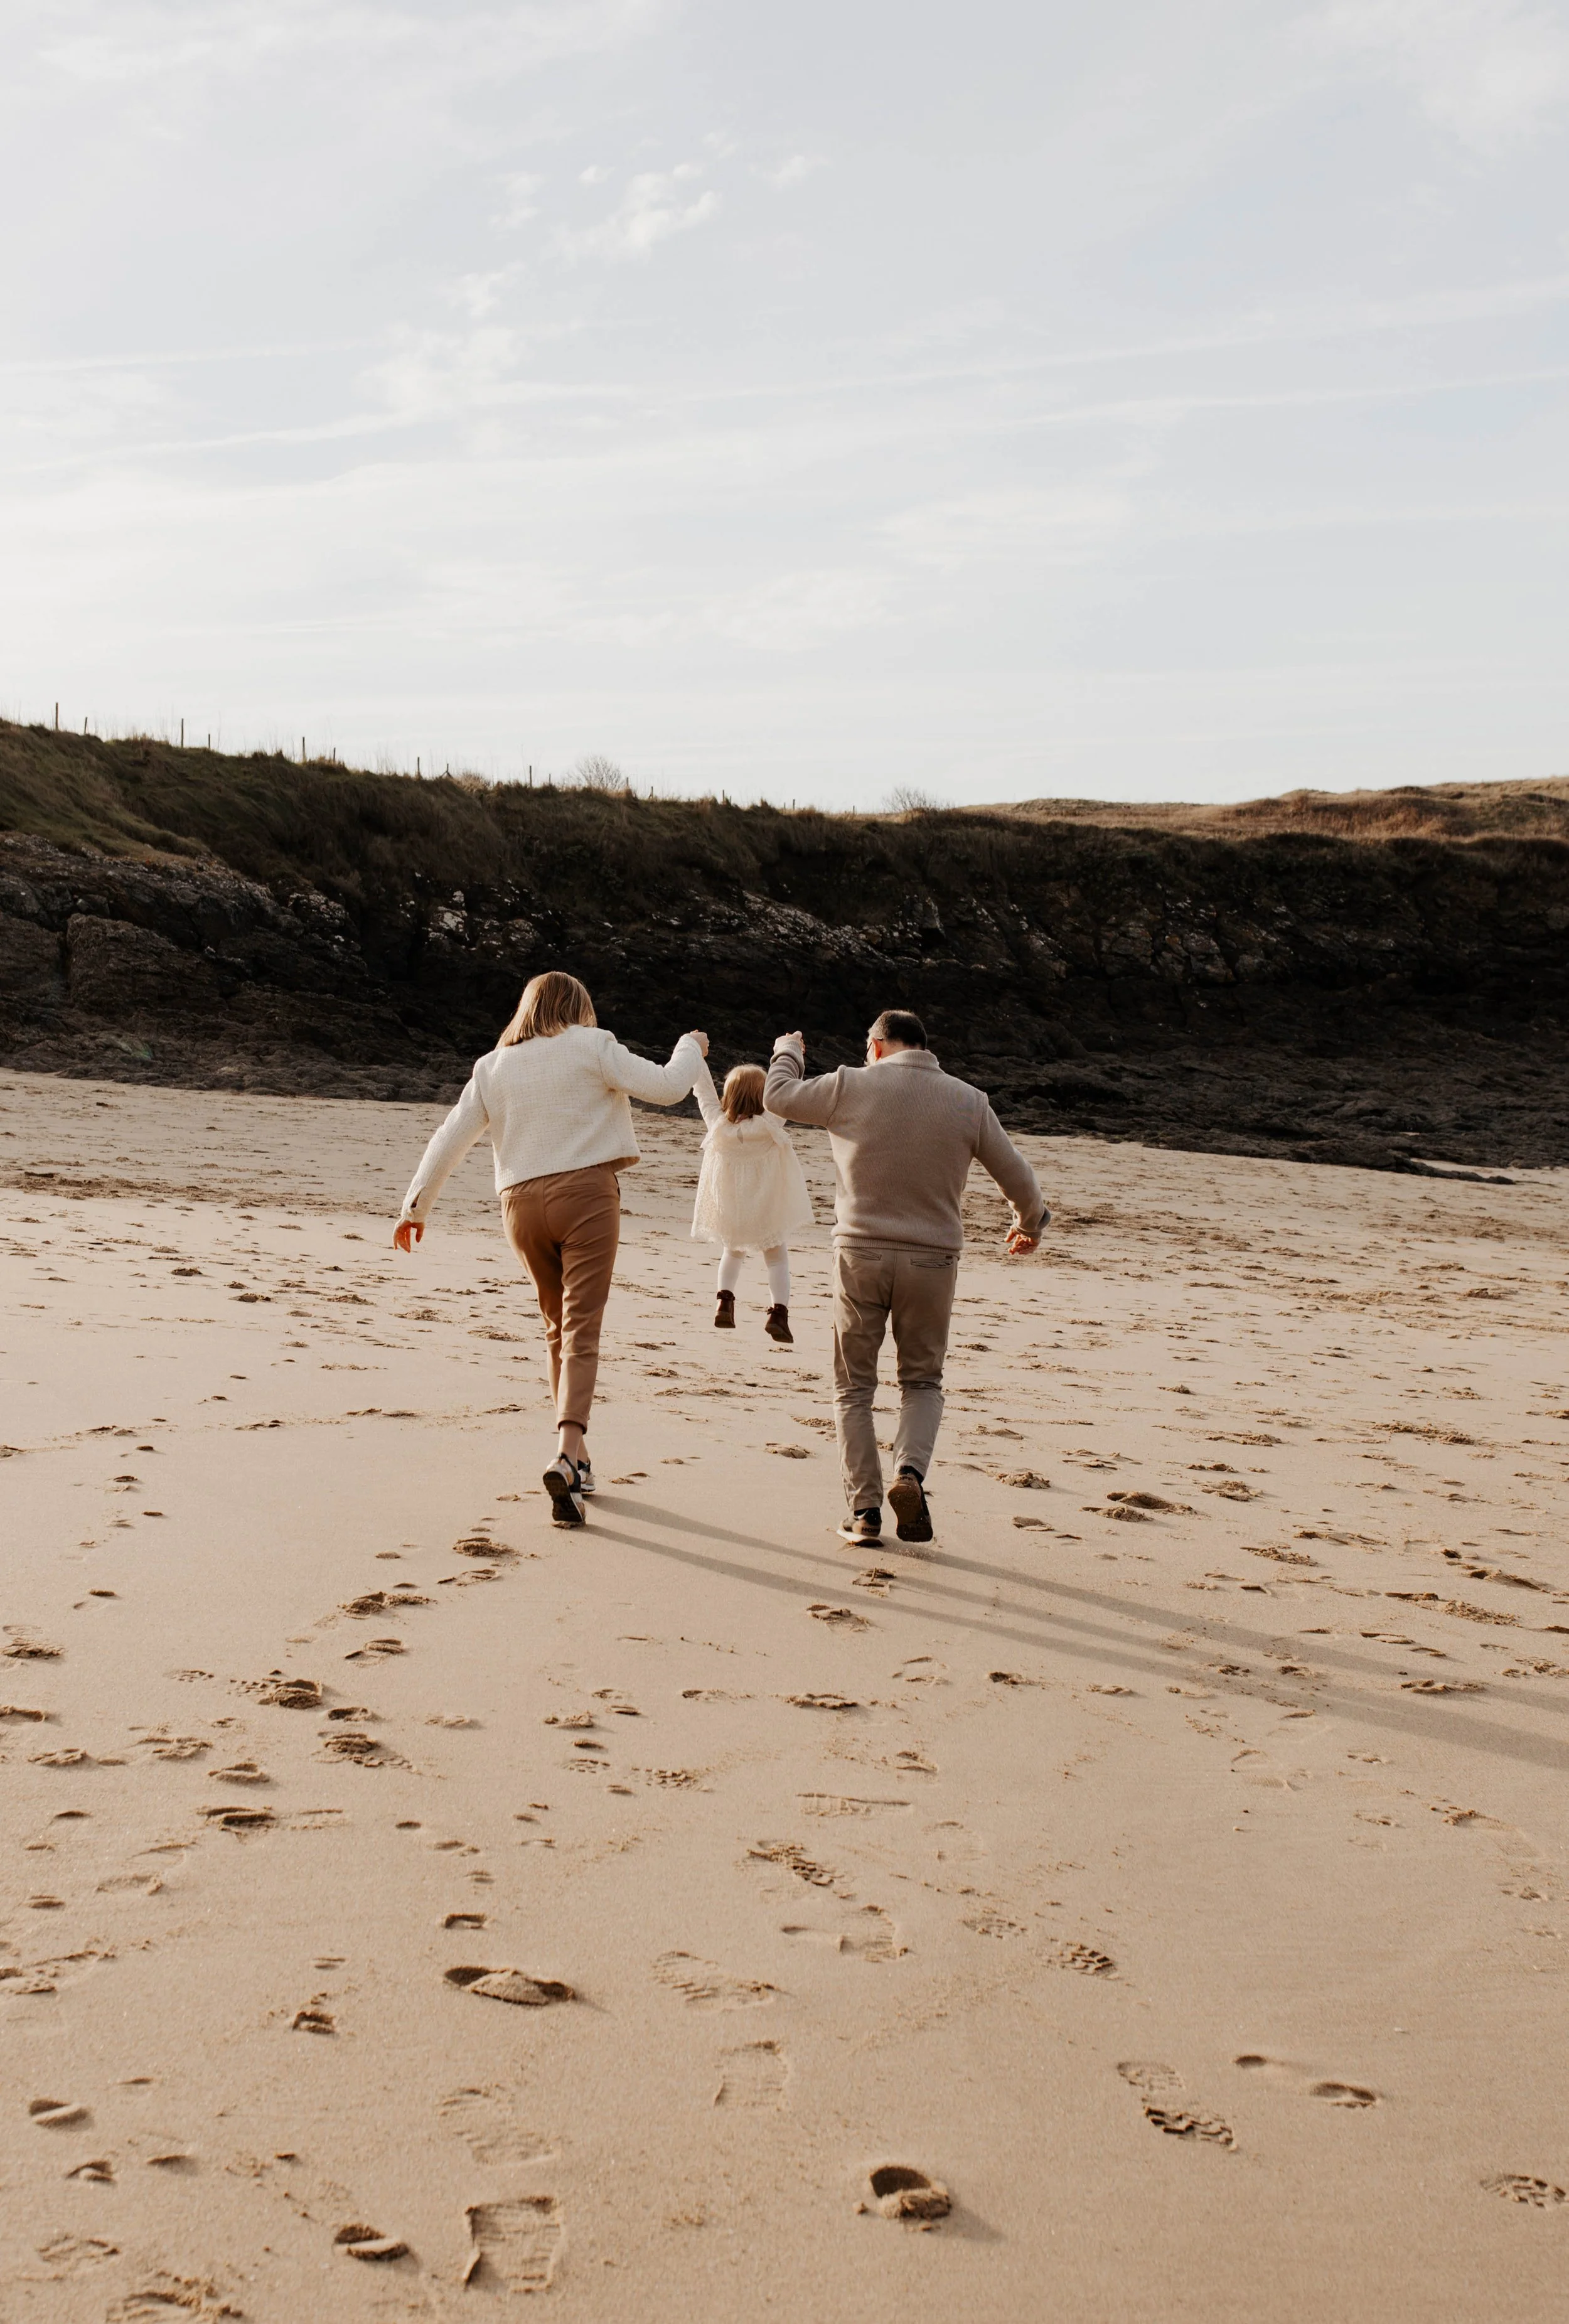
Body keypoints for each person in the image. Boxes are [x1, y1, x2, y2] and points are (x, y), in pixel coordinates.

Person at [394, 970, 708, 1527]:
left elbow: (452, 1134)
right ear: (577, 1007)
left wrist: (415, 1207)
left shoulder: (492, 1065)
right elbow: (668, 1086)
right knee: (582, 1327)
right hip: (585, 1194)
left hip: (519, 1204)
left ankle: (580, 1467)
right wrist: (691, 1047)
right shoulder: (594, 1045)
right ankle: (566, 1451)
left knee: (557, 1326)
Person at [764, 1008, 1046, 1546]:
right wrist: (1028, 1223)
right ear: (924, 1047)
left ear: (876, 1045)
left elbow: (777, 1095)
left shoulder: (849, 1085)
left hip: (860, 1255)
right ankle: (909, 1473)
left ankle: (864, 1510)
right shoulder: (967, 1099)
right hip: (933, 1261)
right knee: (922, 1381)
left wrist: (788, 1050)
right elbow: (1017, 1174)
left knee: (853, 1388)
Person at [690, 1059, 815, 1344]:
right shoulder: (771, 1123)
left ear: (729, 1095)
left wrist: (694, 1051)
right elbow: (787, 1086)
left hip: (732, 1208)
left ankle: (724, 1302)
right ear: (765, 1096)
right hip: (767, 1208)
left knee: (732, 1252)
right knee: (777, 1259)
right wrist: (791, 1050)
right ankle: (779, 1314)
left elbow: (705, 1092)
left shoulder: (717, 1124)